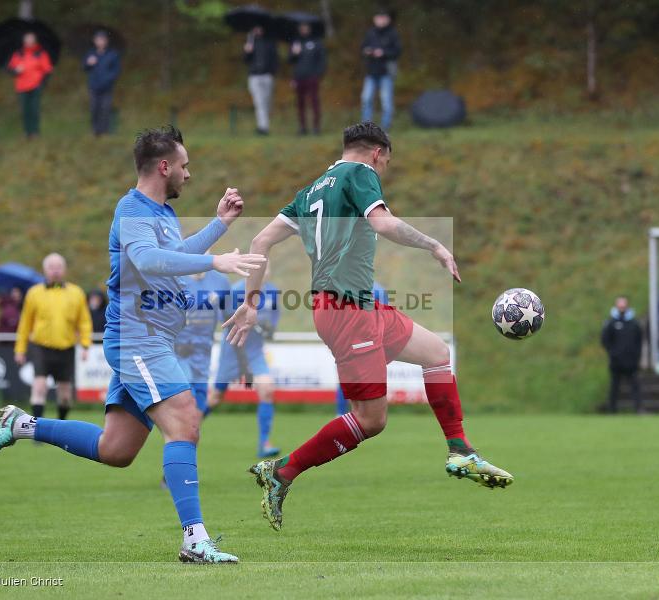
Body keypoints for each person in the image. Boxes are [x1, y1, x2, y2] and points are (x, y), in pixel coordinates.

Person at [0, 126, 264, 563]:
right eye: (184, 166)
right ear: (164, 166)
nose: (188, 175)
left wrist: (219, 226)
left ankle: (20, 424)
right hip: (139, 340)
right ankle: (194, 539)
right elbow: (148, 260)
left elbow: (170, 257)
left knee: (116, 450)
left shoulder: (162, 215)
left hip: (152, 341)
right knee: (185, 420)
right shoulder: (131, 210)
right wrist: (215, 260)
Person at [225, 122, 513, 532]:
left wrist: (250, 304)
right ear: (377, 154)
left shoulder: (309, 192)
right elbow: (383, 223)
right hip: (346, 311)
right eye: (387, 163)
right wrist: (434, 244)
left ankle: (460, 449)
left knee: (436, 354)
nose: (383, 172)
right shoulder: (361, 174)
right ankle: (283, 471)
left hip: (357, 306)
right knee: (371, 419)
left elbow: (258, 244)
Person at [13, 254, 91, 421]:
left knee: (65, 394)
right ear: (44, 270)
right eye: (51, 267)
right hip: (41, 347)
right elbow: (25, 324)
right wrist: (20, 349)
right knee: (39, 387)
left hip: (66, 348)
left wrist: (85, 345)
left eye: (59, 267)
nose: (55, 271)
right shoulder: (34, 293)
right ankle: (37, 429)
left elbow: (84, 322)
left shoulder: (76, 293)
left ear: (64, 270)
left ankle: (61, 426)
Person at [210, 273, 280, 457]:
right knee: (216, 397)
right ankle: (186, 432)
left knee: (267, 390)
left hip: (255, 352)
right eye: (260, 268)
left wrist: (269, 328)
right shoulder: (236, 290)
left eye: (266, 267)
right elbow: (223, 318)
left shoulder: (272, 291)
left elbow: (274, 317)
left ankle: (264, 443)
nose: (264, 272)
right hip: (233, 350)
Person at [175, 269, 230, 416]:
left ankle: (188, 437)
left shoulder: (221, 281)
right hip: (178, 350)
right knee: (186, 392)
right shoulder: (175, 278)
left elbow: (229, 316)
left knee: (199, 401)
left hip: (204, 350)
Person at [335, 281, 387, 415]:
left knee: (353, 379)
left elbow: (385, 316)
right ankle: (347, 414)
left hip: (364, 342)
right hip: (354, 342)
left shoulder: (378, 290)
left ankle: (349, 414)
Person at [360, 9, 401, 131]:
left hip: (386, 73)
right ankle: (366, 127)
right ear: (374, 19)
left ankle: (385, 127)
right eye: (378, 18)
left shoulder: (393, 34)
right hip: (371, 72)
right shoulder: (370, 33)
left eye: (383, 18)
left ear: (388, 19)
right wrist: (368, 51)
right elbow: (362, 48)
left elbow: (397, 51)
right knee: (366, 99)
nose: (380, 20)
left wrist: (383, 53)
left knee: (386, 102)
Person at [601, 296, 643, 413]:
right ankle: (612, 410)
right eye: (620, 305)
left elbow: (639, 341)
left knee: (635, 386)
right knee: (614, 387)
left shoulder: (634, 323)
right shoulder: (610, 323)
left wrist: (636, 356)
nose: (622, 307)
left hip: (631, 362)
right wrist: (613, 353)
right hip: (616, 362)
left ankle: (638, 409)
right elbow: (605, 340)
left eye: (624, 305)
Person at [8, 32, 53, 139]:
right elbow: (10, 69)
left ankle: (35, 131)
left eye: (31, 39)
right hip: (21, 87)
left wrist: (42, 84)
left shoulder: (40, 53)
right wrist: (16, 70)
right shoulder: (18, 54)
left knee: (34, 109)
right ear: (24, 41)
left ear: (34, 40)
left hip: (35, 86)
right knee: (25, 110)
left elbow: (48, 70)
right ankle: (27, 131)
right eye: (27, 39)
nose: (29, 41)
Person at [289, 23, 326, 135]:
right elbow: (290, 61)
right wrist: (294, 53)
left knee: (314, 102)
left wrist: (318, 74)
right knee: (300, 103)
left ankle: (316, 127)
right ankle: (302, 127)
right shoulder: (296, 42)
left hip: (312, 77)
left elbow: (322, 60)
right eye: (302, 28)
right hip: (299, 77)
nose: (304, 29)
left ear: (309, 29)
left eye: (306, 27)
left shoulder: (316, 42)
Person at [83, 30, 121, 137]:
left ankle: (104, 131)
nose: (100, 42)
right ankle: (95, 131)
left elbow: (116, 70)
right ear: (94, 41)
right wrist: (88, 63)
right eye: (98, 40)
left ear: (106, 41)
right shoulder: (91, 54)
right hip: (93, 86)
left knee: (105, 109)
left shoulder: (112, 54)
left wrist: (107, 80)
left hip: (107, 87)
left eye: (102, 40)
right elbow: (85, 68)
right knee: (94, 108)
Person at [244, 25, 279, 135]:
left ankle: (264, 123)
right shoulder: (250, 42)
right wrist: (247, 51)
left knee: (266, 102)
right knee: (259, 102)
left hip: (267, 75)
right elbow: (246, 60)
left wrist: (272, 72)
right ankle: (263, 127)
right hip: (254, 76)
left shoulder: (269, 42)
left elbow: (274, 59)